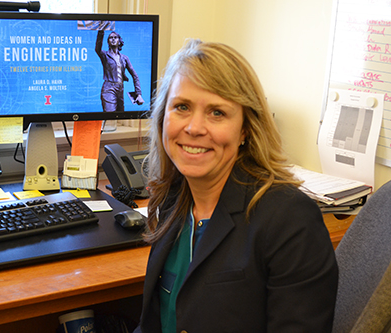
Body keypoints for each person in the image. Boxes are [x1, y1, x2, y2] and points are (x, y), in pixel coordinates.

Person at [134, 39, 338, 332]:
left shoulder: (290, 219)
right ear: (163, 117)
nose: (193, 127)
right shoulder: (173, 199)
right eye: (181, 107)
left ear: (245, 129)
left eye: (217, 112)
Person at [95, 26, 144, 112]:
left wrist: (138, 94)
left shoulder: (124, 58)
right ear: (108, 42)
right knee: (110, 114)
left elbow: (134, 75)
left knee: (120, 115)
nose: (113, 39)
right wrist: (101, 31)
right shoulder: (104, 55)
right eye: (110, 38)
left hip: (120, 89)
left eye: (115, 37)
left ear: (119, 41)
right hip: (109, 88)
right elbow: (97, 48)